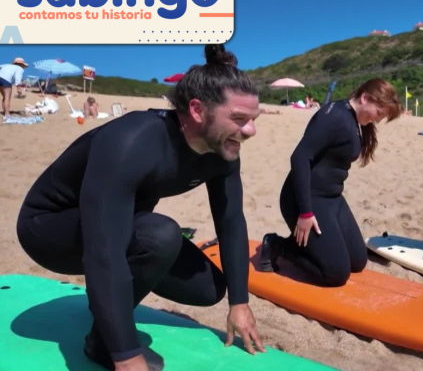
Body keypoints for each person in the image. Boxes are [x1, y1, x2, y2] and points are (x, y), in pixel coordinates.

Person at [16, 45, 265, 371]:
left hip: (118, 223)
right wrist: (126, 355)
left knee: (209, 287)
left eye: (253, 120)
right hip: (49, 229)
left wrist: (239, 302)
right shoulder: (134, 140)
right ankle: (102, 342)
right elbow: (103, 250)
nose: (250, 131)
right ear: (197, 110)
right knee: (160, 235)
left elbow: (231, 220)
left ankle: (107, 303)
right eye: (239, 119)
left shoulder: (222, 149)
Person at [258, 78, 402, 286]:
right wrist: (305, 213)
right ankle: (278, 246)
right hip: (305, 199)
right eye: (379, 113)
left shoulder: (352, 117)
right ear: (365, 98)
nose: (377, 120)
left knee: (358, 261)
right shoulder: (335, 116)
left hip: (332, 198)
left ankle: (307, 245)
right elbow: (299, 158)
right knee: (335, 273)